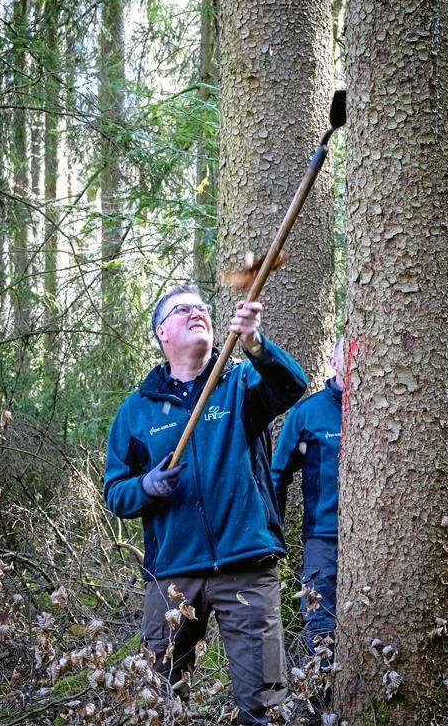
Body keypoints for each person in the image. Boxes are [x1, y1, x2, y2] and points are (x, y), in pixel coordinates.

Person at [103, 283, 308, 725]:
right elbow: (116, 492)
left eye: (203, 308)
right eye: (183, 309)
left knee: (264, 706)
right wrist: (146, 487)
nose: (197, 312)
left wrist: (256, 344)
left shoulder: (239, 385)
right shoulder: (136, 412)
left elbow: (293, 386)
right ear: (162, 333)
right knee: (161, 700)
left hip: (246, 565)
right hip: (173, 574)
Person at [271, 336, 346, 662]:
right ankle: (320, 702)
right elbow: (278, 475)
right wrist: (271, 534)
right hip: (323, 536)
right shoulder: (308, 413)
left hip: (382, 538)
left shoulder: (388, 407)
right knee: (320, 620)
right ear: (333, 362)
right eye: (348, 354)